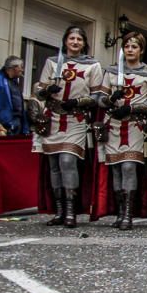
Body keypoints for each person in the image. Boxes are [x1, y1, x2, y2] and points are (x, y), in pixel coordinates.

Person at [35, 27, 103, 227]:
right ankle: (59, 211)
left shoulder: (92, 65)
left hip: (76, 119)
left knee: (67, 161)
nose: (75, 42)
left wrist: (78, 102)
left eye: (79, 39)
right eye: (71, 38)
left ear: (84, 43)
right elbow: (38, 90)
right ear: (65, 41)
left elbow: (97, 96)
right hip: (53, 118)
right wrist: (48, 90)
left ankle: (72, 211)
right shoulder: (52, 62)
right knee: (54, 165)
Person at [100, 32, 147, 230]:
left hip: (135, 126)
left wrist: (132, 108)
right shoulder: (111, 72)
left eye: (134, 47)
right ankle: (119, 211)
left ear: (141, 50)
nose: (130, 50)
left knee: (128, 167)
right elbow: (100, 98)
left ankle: (128, 214)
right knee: (116, 169)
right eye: (127, 46)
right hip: (114, 124)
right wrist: (111, 98)